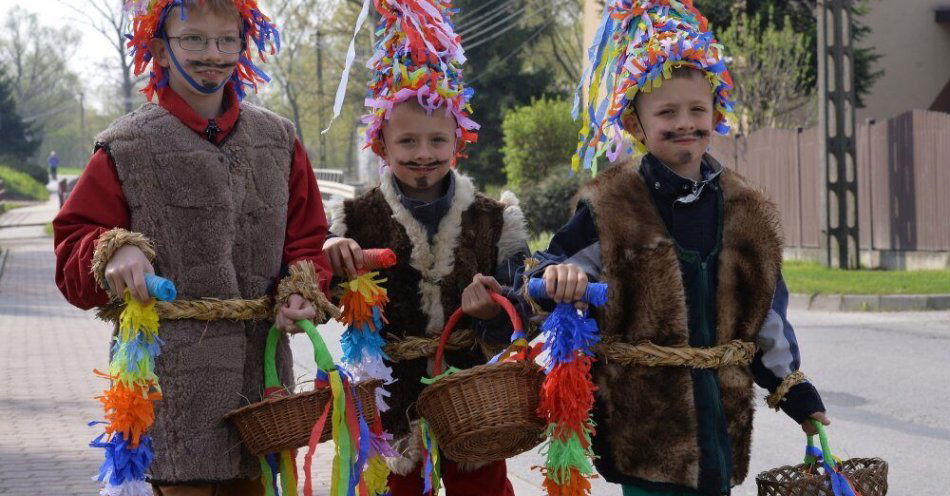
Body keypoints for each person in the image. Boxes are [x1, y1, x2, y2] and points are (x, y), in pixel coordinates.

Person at [525, 1, 830, 495]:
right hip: (644, 430)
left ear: (716, 113)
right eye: (666, 112)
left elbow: (765, 315)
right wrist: (558, 280)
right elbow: (543, 273)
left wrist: (795, 394)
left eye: (697, 109)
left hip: (721, 430)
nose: (684, 122)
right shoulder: (610, 205)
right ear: (635, 125)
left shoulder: (746, 210)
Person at [52, 1, 332, 494]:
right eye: (194, 40)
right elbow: (73, 247)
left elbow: (307, 239)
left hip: (261, 377)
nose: (213, 53)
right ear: (160, 49)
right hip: (170, 385)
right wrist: (111, 249)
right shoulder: (127, 145)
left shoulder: (279, 139)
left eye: (227, 40)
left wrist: (303, 287)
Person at [322, 2, 528, 494]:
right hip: (388, 399)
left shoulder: (496, 219)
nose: (423, 155)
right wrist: (334, 256)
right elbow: (323, 296)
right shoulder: (352, 221)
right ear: (381, 145)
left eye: (438, 140)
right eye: (407, 141)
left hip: (475, 402)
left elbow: (525, 309)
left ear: (459, 139)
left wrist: (493, 310)